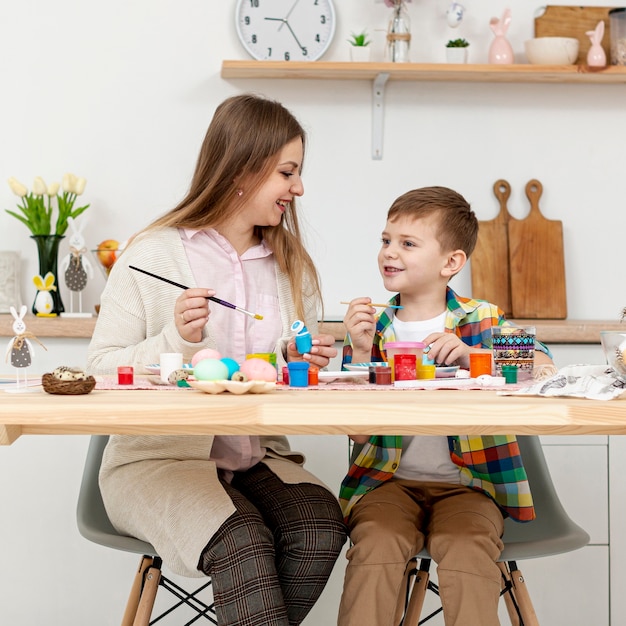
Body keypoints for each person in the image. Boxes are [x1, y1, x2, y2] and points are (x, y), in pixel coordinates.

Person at [87, 94, 346, 626]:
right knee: (244, 544)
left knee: (320, 525)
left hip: (257, 459)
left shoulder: (289, 265)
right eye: (287, 172)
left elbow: (289, 363)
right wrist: (173, 340)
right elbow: (99, 370)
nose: (298, 189)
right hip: (155, 464)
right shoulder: (152, 255)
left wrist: (302, 359)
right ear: (245, 170)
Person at [337, 186, 555, 626]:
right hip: (388, 485)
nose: (389, 253)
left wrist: (475, 356)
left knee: (467, 549)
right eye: (385, 240)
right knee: (376, 543)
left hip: (470, 487)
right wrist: (360, 356)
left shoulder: (482, 319)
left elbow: (545, 364)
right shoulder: (371, 329)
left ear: (451, 263)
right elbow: (358, 433)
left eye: (407, 243)